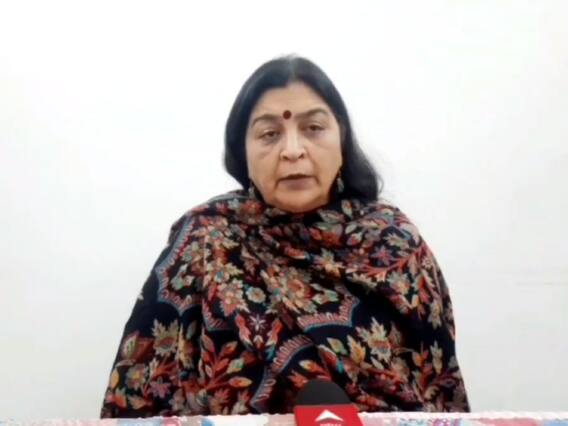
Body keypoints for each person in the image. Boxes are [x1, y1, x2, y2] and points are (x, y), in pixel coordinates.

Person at [100, 55, 470, 417]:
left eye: (314, 128)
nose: (293, 151)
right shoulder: (204, 241)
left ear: (342, 140)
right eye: (269, 134)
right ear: (243, 153)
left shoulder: (395, 244)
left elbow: (440, 394)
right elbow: (139, 393)